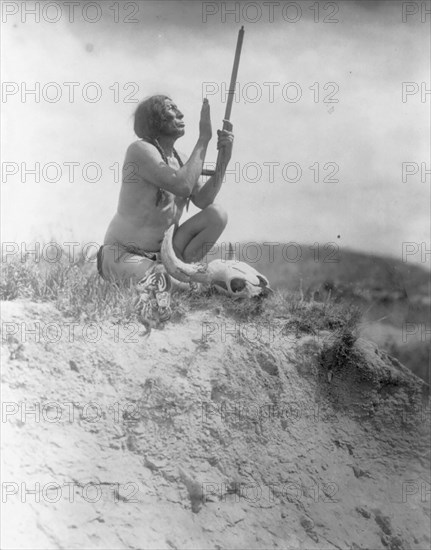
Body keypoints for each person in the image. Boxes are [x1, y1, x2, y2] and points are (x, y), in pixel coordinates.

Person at [97, 95, 234, 320]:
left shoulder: (180, 159)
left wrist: (223, 162)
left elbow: (203, 200)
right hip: (123, 253)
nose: (180, 114)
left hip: (165, 255)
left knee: (217, 215)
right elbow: (182, 185)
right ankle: (189, 284)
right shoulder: (140, 150)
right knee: (165, 281)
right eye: (172, 109)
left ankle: (183, 271)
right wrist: (204, 138)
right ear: (155, 121)